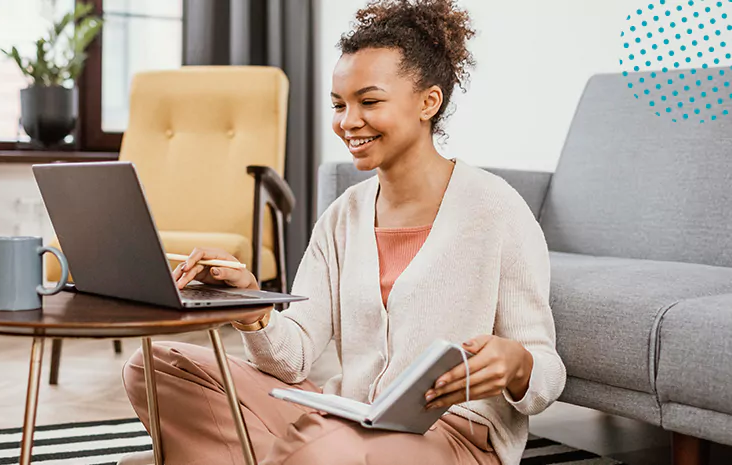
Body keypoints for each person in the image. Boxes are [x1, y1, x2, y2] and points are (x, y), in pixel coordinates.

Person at [122, 0, 566, 463]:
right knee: (154, 369)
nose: (347, 121)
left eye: (369, 102)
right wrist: (251, 304)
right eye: (339, 104)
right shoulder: (343, 215)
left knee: (320, 445)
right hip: (346, 419)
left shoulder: (497, 210)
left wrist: (519, 365)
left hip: (452, 439)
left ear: (428, 102)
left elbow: (547, 375)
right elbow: (292, 360)